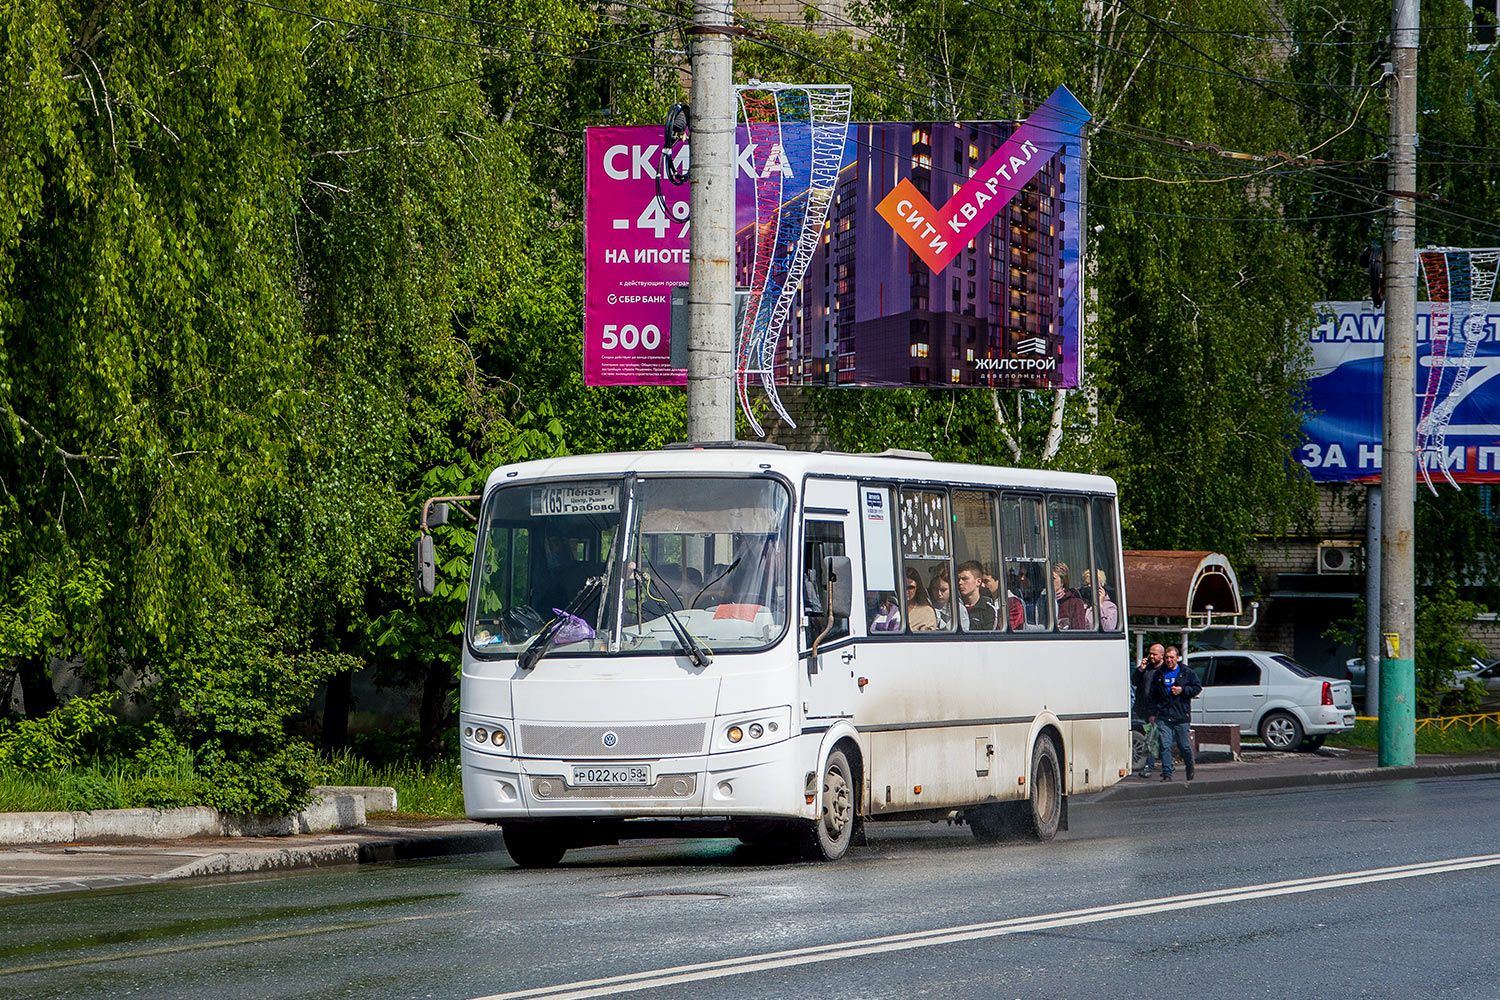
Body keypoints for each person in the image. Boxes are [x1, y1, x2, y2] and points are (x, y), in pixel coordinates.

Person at [1151, 645, 1202, 781]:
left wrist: (1182, 690)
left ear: (1177, 658)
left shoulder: (1186, 672)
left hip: (1181, 715)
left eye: (1172, 657)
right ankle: (1167, 773)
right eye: (1167, 658)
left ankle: (1189, 766)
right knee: (1165, 745)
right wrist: (1153, 712)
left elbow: (1197, 687)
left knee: (1184, 746)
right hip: (1164, 715)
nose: (1169, 660)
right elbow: (1153, 694)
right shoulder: (1159, 673)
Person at [1132, 644, 1165, 777]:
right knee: (1152, 737)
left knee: (1154, 738)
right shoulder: (1147, 669)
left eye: (1154, 654)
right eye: (1150, 653)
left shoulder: (1164, 670)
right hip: (1144, 709)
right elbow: (1135, 681)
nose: (1151, 656)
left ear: (1161, 655)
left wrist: (1155, 711)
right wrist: (1141, 669)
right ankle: (1158, 765)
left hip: (1158, 710)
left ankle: (1152, 766)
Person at [956, 561, 996, 631]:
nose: (960, 582)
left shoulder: (988, 609)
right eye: (958, 579)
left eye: (965, 579)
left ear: (978, 582)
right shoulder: (954, 607)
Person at [1052, 561, 1091, 631]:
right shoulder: (1042, 602)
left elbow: (1078, 631)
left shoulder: (1075, 603)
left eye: (1053, 578)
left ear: (1063, 581)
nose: (1049, 582)